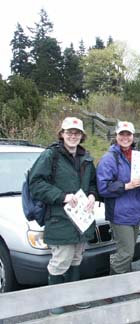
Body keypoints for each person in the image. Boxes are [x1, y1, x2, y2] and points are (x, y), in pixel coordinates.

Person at [29, 117, 97, 314]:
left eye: (77, 133)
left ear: (82, 136)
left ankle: (74, 297)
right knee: (60, 262)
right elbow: (36, 184)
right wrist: (62, 196)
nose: (73, 136)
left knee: (76, 259)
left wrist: (93, 195)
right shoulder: (50, 156)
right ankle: (55, 301)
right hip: (60, 219)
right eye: (69, 132)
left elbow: (92, 183)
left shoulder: (87, 158)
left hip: (81, 220)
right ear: (62, 134)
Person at [96, 121, 140, 275]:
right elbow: (103, 187)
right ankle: (114, 290)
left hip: (136, 211)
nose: (125, 137)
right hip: (119, 213)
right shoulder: (109, 158)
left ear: (132, 136)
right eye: (121, 134)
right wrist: (126, 185)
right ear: (116, 136)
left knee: (128, 251)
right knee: (126, 253)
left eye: (128, 134)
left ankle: (126, 284)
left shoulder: (138, 157)